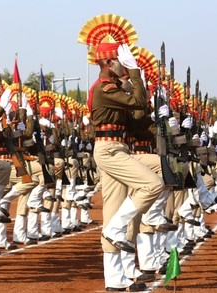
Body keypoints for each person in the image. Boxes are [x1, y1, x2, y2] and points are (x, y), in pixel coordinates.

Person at [89, 42, 165, 291]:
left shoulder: (113, 88)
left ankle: (115, 280)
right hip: (109, 150)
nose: (123, 63)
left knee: (113, 209)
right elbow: (137, 103)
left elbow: (137, 117)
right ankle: (115, 229)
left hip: (118, 149)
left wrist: (158, 116)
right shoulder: (103, 89)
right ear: (110, 63)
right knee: (153, 183)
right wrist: (134, 74)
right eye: (120, 60)